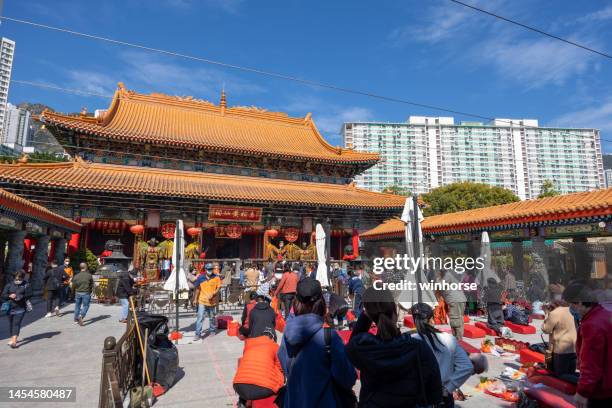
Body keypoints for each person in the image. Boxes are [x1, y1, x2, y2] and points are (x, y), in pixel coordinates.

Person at [345, 288, 443, 407]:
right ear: (394, 310)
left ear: (369, 314)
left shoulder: (364, 348)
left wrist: (366, 316)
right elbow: (434, 391)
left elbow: (352, 345)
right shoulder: (417, 347)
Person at [277, 277, 356, 408]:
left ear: (296, 303)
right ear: (322, 303)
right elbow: (347, 378)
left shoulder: (287, 334)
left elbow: (284, 365)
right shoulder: (329, 337)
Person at [411, 302, 473, 407]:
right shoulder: (448, 338)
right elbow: (467, 366)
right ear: (432, 319)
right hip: (442, 396)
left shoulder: (410, 341)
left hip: (419, 397)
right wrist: (449, 388)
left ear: (414, 321)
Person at [563, 282, 612, 408]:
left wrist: (582, 392)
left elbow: (591, 364)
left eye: (571, 304)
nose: (571, 309)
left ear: (579, 302)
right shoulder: (605, 315)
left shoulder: (591, 325)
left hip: (601, 390)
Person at [233, 329, 285, 408]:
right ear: (272, 338)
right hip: (264, 389)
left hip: (238, 385)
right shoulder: (274, 345)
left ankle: (244, 402)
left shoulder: (249, 343)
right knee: (281, 377)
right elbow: (281, 368)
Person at [541, 300, 577, 377]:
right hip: (574, 347)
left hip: (560, 349)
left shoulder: (555, 313)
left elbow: (546, 329)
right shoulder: (571, 310)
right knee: (571, 374)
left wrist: (547, 314)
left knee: (560, 376)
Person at [2, 270, 32, 349]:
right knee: (11, 323)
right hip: (10, 308)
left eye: (20, 279)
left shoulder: (26, 285)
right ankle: (13, 338)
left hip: (20, 308)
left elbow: (29, 294)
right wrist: (9, 295)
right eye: (16, 279)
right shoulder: (9, 285)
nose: (18, 281)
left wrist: (19, 296)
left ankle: (14, 342)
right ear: (14, 278)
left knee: (16, 323)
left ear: (22, 278)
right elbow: (3, 295)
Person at [193, 262, 222, 339]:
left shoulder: (216, 278)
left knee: (212, 317)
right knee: (200, 317)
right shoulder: (200, 278)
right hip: (202, 300)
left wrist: (214, 293)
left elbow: (218, 287)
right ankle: (197, 334)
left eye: (211, 269)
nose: (210, 270)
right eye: (208, 269)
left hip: (212, 301)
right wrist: (195, 299)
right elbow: (198, 289)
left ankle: (212, 330)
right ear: (205, 270)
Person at [437, 270, 467, 340]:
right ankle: (459, 337)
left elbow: (441, 286)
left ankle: (457, 338)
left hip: (455, 300)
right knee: (459, 318)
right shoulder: (450, 274)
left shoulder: (448, 274)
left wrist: (438, 279)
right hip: (459, 299)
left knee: (455, 319)